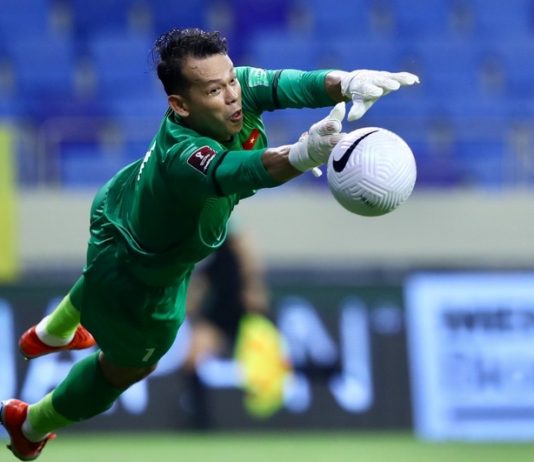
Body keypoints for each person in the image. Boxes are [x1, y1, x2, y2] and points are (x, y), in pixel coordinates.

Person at [0, 27, 419, 460]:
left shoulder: (233, 89)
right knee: (130, 367)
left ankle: (55, 329)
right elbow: (238, 170)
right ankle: (30, 423)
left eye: (231, 80)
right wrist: (303, 153)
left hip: (120, 204)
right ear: (180, 105)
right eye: (215, 91)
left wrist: (348, 81)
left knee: (115, 276)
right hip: (141, 276)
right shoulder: (183, 156)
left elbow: (289, 84)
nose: (233, 95)